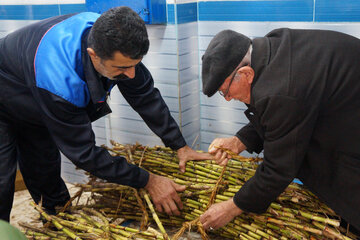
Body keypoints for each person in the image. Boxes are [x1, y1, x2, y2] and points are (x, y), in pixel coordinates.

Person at [0, 6, 211, 222]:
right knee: (2, 180)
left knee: (42, 165)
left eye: (134, 66)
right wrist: (148, 181)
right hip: (5, 93)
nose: (130, 74)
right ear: (93, 55)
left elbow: (145, 96)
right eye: (122, 68)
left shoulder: (113, 36)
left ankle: (56, 222)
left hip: (33, 91)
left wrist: (178, 145)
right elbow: (84, 154)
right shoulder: (59, 81)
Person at [199, 28, 360, 233]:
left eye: (225, 91)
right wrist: (239, 141)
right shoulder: (268, 49)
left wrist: (232, 207)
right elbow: (282, 117)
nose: (228, 99)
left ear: (246, 73)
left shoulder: (283, 90)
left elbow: (278, 168)